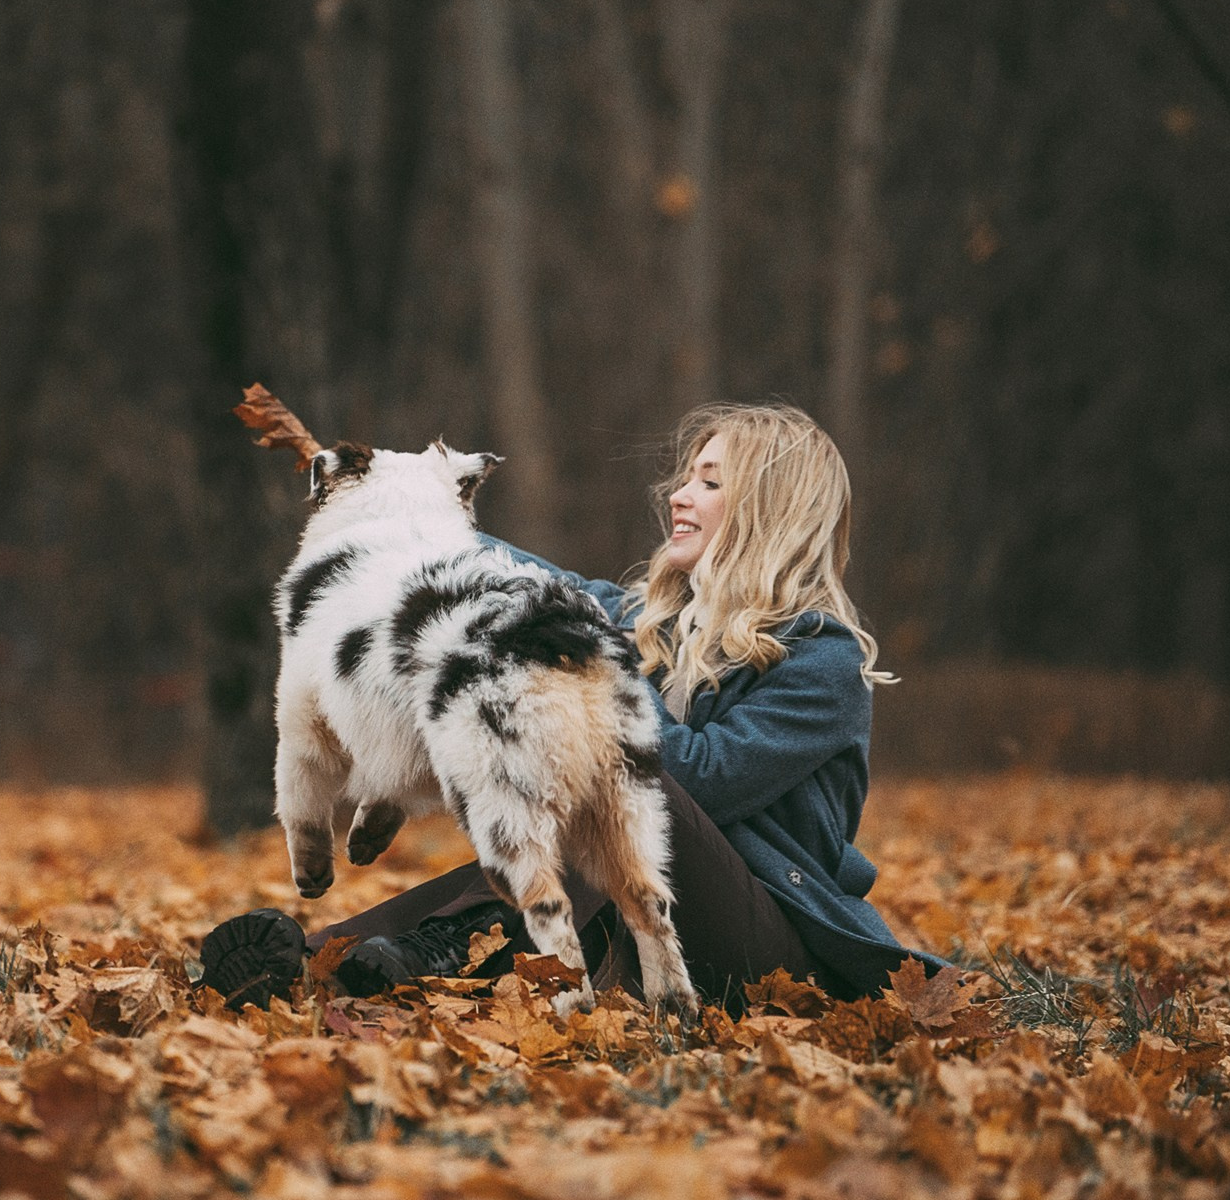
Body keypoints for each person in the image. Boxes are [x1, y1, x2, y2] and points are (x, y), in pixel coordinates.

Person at [199, 402, 943, 1013]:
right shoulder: (645, 622)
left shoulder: (823, 660)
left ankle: (435, 945)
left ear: (773, 513)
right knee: (567, 803)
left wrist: (593, 667)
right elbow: (529, 569)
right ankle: (317, 960)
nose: (679, 496)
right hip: (650, 902)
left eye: (710, 484)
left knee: (616, 779)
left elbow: (707, 780)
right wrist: (403, 505)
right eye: (688, 478)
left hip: (765, 944)